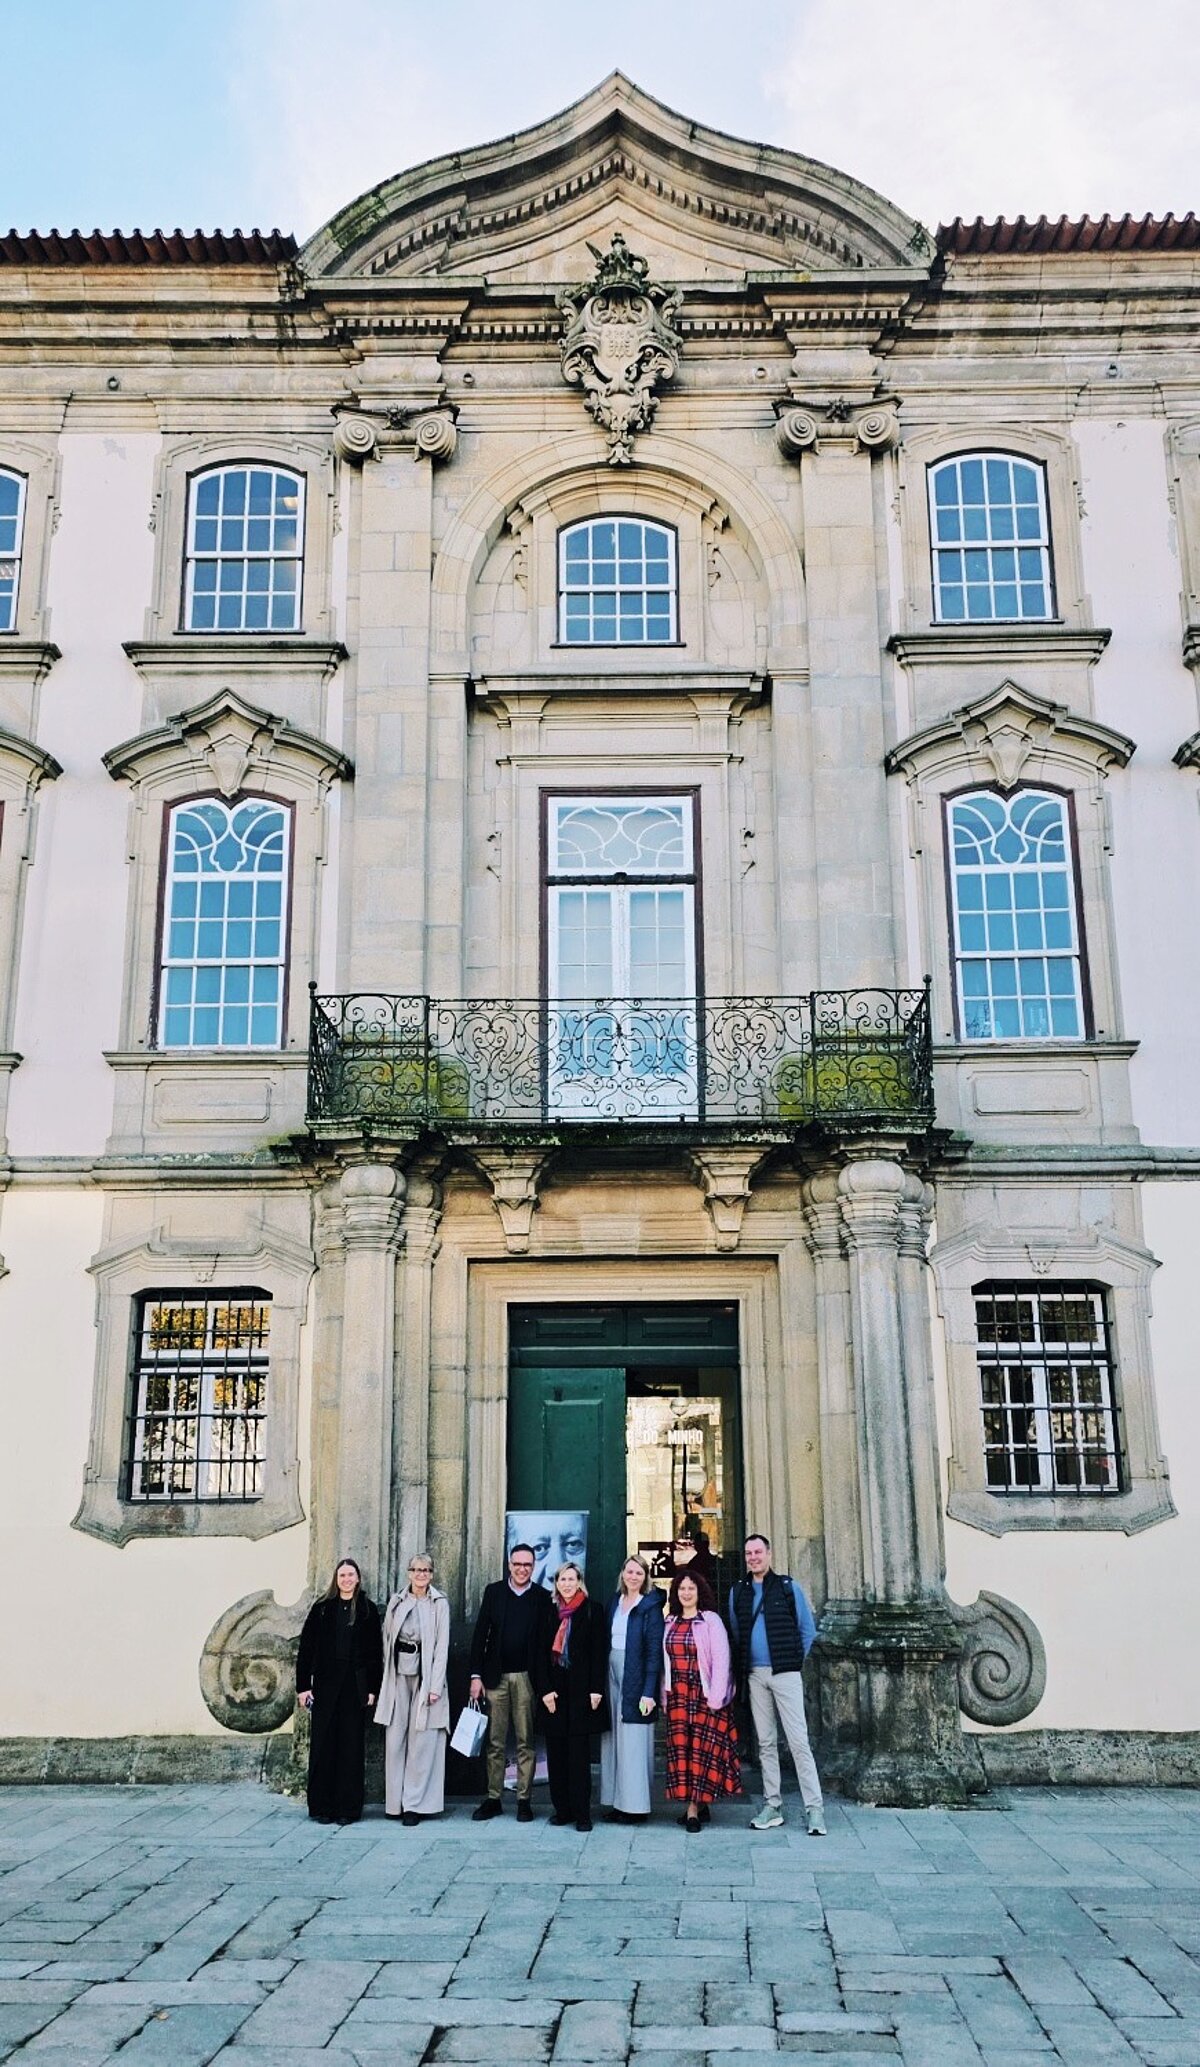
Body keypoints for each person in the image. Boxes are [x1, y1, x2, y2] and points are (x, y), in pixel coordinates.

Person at [728, 1531, 826, 1835]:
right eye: (749, 1553)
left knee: (798, 1741)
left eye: (758, 1552)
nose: (753, 1558)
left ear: (769, 1555)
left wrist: (792, 1662)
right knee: (766, 1742)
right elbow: (736, 1631)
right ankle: (772, 1805)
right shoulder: (738, 1592)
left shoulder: (787, 1587)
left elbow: (807, 1630)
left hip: (785, 1673)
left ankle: (815, 1808)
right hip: (755, 1675)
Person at [468, 1541, 556, 1821]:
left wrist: (545, 1684)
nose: (522, 1569)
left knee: (525, 1741)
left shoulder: (542, 1597)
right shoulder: (494, 1592)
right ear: (509, 1565)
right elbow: (480, 1635)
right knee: (495, 1741)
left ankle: (523, 1800)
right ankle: (493, 1798)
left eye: (527, 1565)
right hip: (495, 1678)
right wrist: (475, 1675)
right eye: (517, 1564)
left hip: (526, 1679)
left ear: (534, 1566)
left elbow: (546, 1644)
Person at [295, 1557, 383, 1826]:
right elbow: (306, 1649)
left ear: (358, 1579)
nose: (346, 1579)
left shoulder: (367, 1609)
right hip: (325, 1687)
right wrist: (303, 1687)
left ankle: (348, 1809)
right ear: (336, 1579)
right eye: (342, 1575)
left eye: (350, 1575)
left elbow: (375, 1653)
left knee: (350, 1748)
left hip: (354, 1688)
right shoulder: (322, 1609)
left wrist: (373, 1688)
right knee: (324, 1746)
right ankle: (322, 1806)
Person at [532, 1561, 610, 1831]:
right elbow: (539, 1653)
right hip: (553, 1693)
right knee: (556, 1756)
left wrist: (596, 1689)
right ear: (556, 1583)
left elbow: (599, 1652)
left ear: (579, 1582)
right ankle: (562, 1810)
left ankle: (582, 1813)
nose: (566, 1584)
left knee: (578, 1757)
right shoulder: (547, 1610)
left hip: (581, 1692)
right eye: (562, 1579)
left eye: (571, 1579)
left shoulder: (592, 1610)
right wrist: (544, 1690)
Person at [662, 1569, 741, 1833]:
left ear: (699, 1592)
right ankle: (700, 1804)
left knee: (700, 1754)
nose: (686, 1593)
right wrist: (664, 1694)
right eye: (682, 1589)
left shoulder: (710, 1620)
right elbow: (665, 1663)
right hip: (678, 1697)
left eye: (691, 1589)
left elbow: (721, 1660)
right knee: (683, 1753)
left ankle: (693, 1811)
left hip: (704, 1696)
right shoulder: (670, 1621)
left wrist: (717, 1697)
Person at [375, 1551, 450, 1824]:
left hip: (426, 1675)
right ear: (409, 1573)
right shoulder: (397, 1602)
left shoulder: (439, 1603)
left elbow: (442, 1646)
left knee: (422, 1741)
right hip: (397, 1674)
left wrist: (435, 1685)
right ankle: (394, 1803)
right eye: (417, 1570)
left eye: (426, 1570)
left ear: (431, 1574)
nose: (421, 1575)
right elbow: (386, 1639)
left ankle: (414, 1805)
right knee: (395, 1738)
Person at [600, 1553, 665, 1823]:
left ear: (646, 1576)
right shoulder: (614, 1601)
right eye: (629, 1571)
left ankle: (635, 1807)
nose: (633, 1577)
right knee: (613, 1739)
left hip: (636, 1674)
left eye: (639, 1573)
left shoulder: (650, 1606)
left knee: (634, 1740)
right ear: (622, 1574)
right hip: (611, 1671)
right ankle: (616, 1801)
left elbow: (654, 1651)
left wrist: (649, 1691)